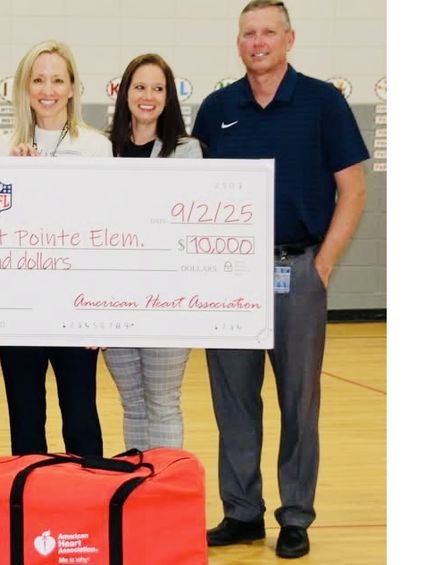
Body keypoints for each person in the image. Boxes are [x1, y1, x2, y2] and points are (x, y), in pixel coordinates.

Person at [191, 1, 369, 558]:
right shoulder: (217, 108)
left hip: (297, 269)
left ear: (289, 39)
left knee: (299, 401)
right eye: (249, 33)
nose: (258, 41)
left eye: (269, 32)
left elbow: (354, 190)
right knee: (234, 402)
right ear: (237, 42)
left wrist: (322, 265)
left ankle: (295, 515)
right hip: (229, 277)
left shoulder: (323, 102)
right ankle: (242, 513)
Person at [0, 40, 110, 457]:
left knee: (80, 417)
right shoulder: (4, 148)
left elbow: (104, 232)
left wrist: (99, 310)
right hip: (20, 306)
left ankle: (92, 509)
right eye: (38, 80)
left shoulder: (97, 147)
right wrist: (16, 181)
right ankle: (33, 513)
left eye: (57, 79)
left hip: (76, 306)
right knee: (25, 419)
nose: (48, 89)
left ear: (74, 87)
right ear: (24, 89)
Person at [103, 53, 202, 452]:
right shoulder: (103, 150)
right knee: (132, 406)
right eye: (140, 87)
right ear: (125, 93)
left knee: (162, 403)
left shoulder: (187, 151)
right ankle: (140, 496)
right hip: (113, 300)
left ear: (168, 97)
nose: (148, 96)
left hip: (167, 302)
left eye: (158, 88)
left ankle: (165, 496)